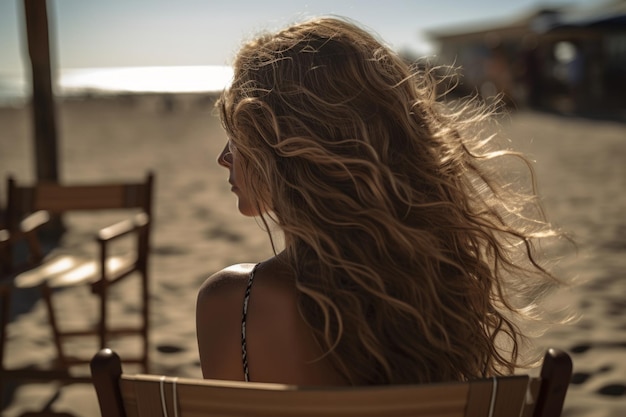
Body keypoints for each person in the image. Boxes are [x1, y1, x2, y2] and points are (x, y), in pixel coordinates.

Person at [196, 16, 565, 386]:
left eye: (238, 134)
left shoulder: (234, 303)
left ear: (286, 149)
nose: (224, 156)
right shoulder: (440, 291)